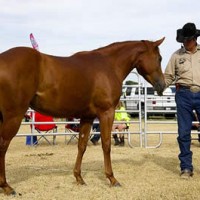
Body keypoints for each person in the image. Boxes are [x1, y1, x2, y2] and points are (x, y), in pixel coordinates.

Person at [164, 22, 200, 178]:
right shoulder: (176, 56)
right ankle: (186, 167)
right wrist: (160, 87)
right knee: (184, 133)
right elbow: (168, 76)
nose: (185, 42)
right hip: (183, 94)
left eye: (188, 39)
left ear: (195, 39)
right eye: (183, 40)